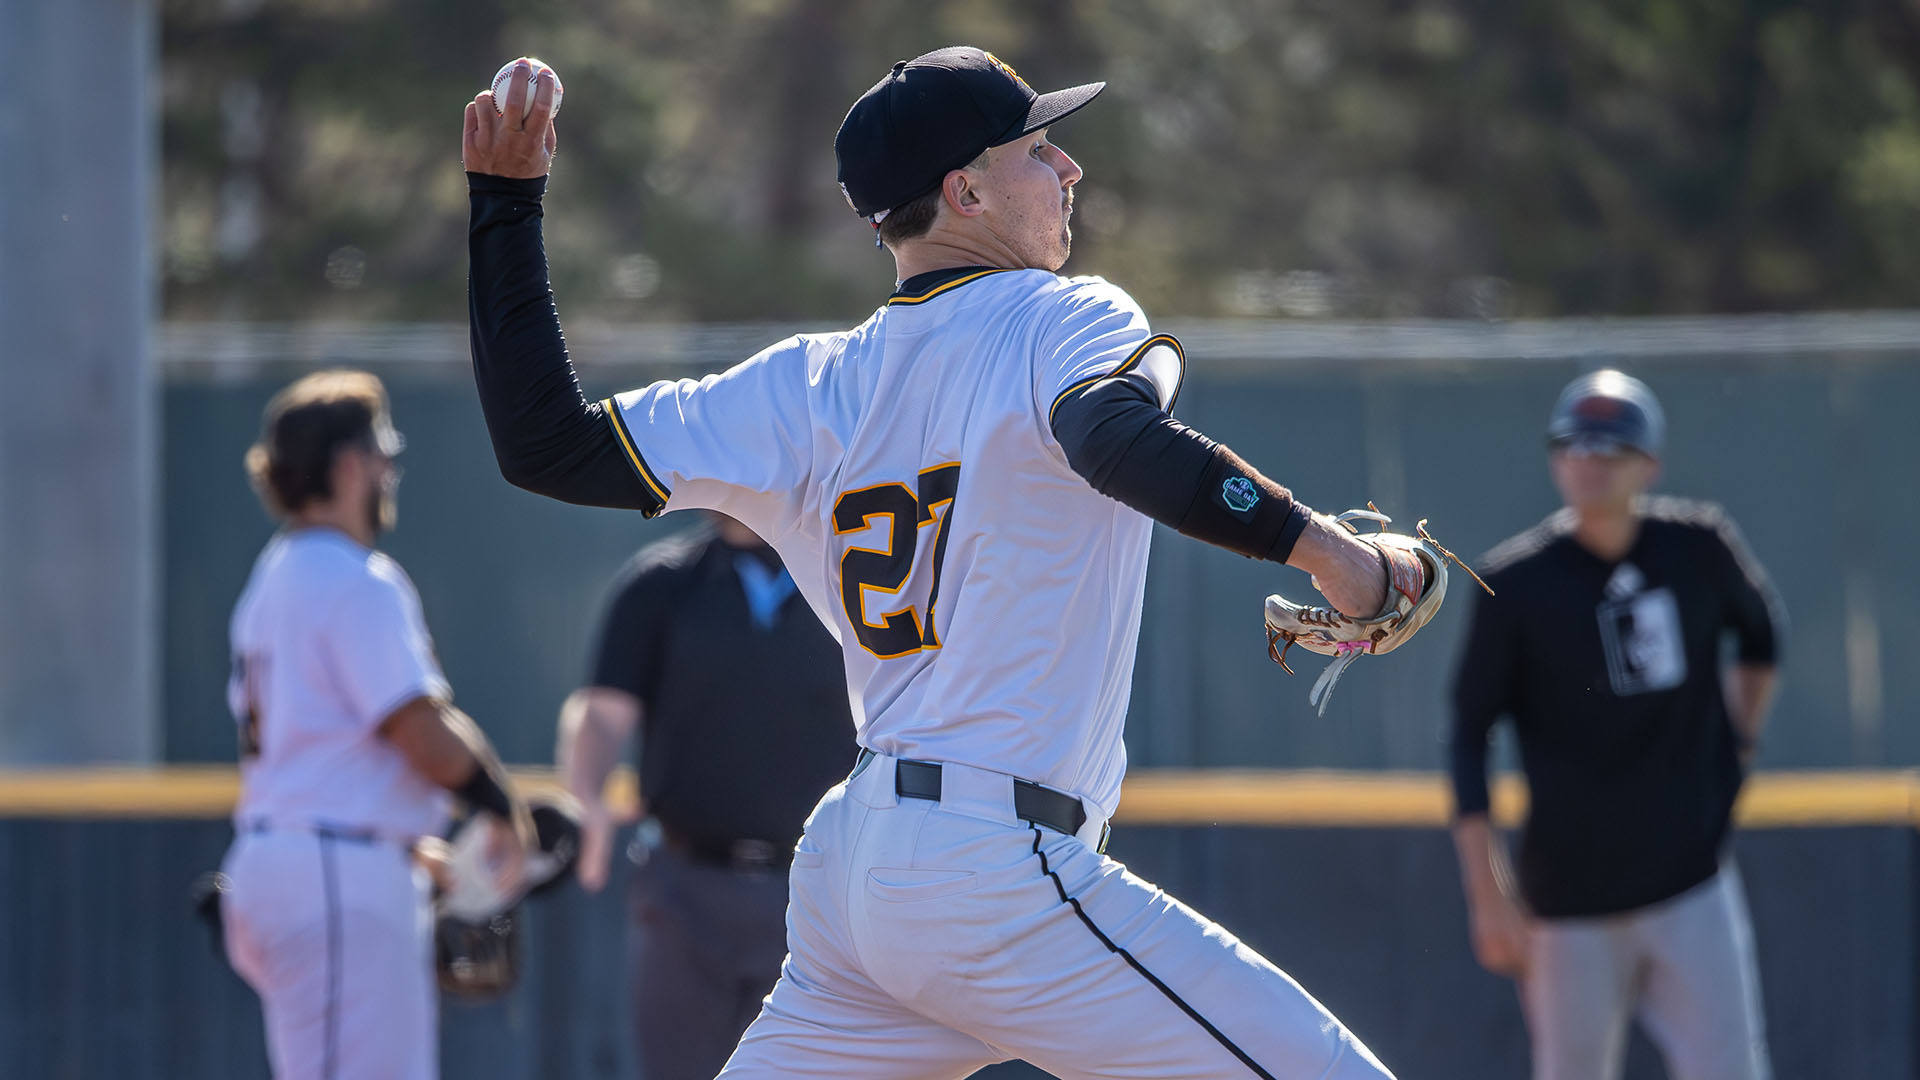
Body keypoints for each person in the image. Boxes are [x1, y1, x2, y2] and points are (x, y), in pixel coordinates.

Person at [462, 47, 1409, 1079]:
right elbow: (1115, 441)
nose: (1069, 171)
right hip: (994, 869)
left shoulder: (807, 385)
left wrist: (506, 209)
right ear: (964, 189)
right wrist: (1337, 556)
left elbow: (546, 444)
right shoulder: (1061, 314)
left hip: (858, 873)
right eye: (1039, 150)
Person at [1448, 369, 1785, 1080]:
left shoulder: (1698, 548)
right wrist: (1488, 895)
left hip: (1690, 882)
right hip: (1569, 902)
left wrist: (1741, 740)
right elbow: (1467, 734)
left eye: (1610, 446)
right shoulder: (1515, 582)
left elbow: (1762, 638)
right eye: (1572, 444)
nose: (1588, 460)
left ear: (1649, 463)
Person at [219, 369, 534, 1080]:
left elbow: (328, 746)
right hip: (334, 873)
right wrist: (499, 805)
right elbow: (418, 730)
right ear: (353, 464)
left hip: (295, 856)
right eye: (382, 454)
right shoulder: (353, 578)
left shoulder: (273, 575)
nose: (391, 471)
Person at [556, 511, 855, 1079]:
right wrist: (586, 796)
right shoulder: (662, 582)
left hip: (817, 897)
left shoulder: (849, 579)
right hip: (685, 897)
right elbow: (601, 713)